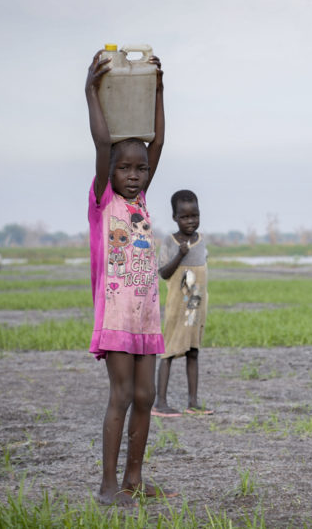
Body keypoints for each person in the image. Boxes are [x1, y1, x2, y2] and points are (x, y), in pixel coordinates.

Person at [85, 48, 172, 505]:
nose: (134, 175)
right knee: (121, 396)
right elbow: (103, 145)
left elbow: (156, 143)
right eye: (125, 168)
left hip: (146, 314)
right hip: (117, 315)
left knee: (146, 395)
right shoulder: (104, 202)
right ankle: (107, 486)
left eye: (140, 169)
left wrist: (158, 91)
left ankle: (134, 480)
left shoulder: (140, 202)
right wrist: (90, 92)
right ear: (110, 173)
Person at [152, 189, 214, 417]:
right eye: (185, 217)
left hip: (196, 309)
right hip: (177, 310)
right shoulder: (170, 242)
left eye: (194, 216)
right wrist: (180, 255)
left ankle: (193, 402)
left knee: (193, 352)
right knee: (168, 352)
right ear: (174, 217)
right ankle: (160, 403)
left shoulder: (201, 241)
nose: (191, 221)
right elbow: (164, 273)